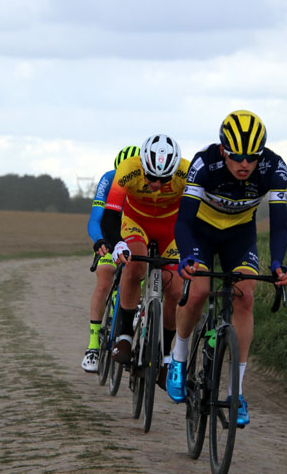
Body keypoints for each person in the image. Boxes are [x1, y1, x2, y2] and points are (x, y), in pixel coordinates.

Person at [167, 110, 287, 427]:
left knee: (245, 297)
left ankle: (236, 392)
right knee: (198, 292)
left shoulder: (274, 169)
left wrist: (277, 263)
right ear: (223, 150)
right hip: (200, 232)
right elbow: (182, 222)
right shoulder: (203, 164)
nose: (245, 164)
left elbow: (278, 227)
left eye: (252, 157)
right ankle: (178, 359)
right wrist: (186, 256)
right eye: (237, 157)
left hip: (239, 236)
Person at [101, 134, 190, 386]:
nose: (156, 184)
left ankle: (163, 354)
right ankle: (126, 336)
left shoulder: (187, 171)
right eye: (151, 177)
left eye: (164, 179)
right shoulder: (128, 169)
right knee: (135, 265)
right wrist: (117, 242)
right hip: (136, 221)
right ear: (142, 165)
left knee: (173, 288)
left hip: (170, 228)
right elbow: (110, 214)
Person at [82, 145, 140, 373]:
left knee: (139, 279)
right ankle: (93, 346)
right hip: (110, 236)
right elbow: (96, 220)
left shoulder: (144, 184)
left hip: (134, 236)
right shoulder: (109, 179)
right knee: (104, 281)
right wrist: (99, 242)